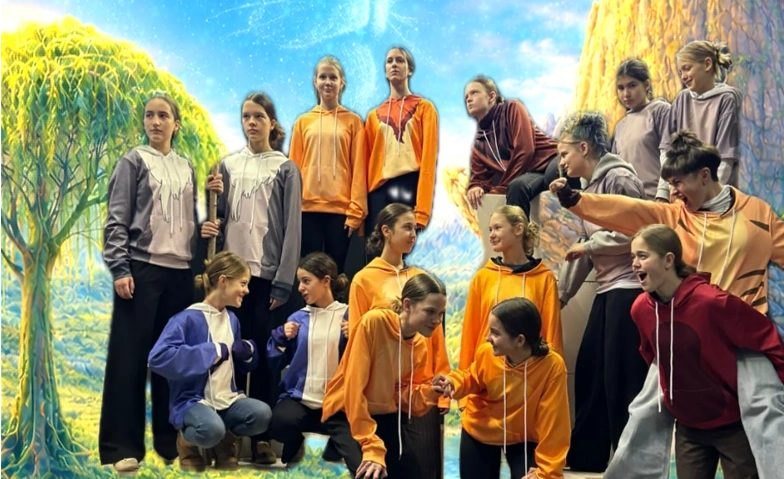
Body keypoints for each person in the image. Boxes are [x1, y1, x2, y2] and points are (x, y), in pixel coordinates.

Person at [549, 131, 784, 478]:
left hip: (741, 339)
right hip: (685, 336)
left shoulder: (758, 214)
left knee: (768, 416)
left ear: (705, 176)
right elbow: (631, 210)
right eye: (669, 184)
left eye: (678, 183)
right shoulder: (676, 217)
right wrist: (577, 201)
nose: (673, 191)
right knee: (643, 414)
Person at [99, 93, 223, 473]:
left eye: (163, 115)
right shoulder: (133, 161)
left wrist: (203, 229)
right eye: (149, 115)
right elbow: (117, 219)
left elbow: (183, 223)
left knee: (174, 359)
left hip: (180, 274)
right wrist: (120, 268)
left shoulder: (186, 167)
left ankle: (171, 442)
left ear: (175, 124)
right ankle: (122, 446)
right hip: (142, 270)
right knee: (130, 359)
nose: (155, 121)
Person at [628, 224, 784, 479]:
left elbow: (766, 337)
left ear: (668, 260)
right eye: (632, 256)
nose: (634, 264)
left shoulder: (713, 302)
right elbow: (652, 356)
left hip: (733, 426)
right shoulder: (640, 310)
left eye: (642, 256)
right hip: (688, 427)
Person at [200, 92, 302, 464]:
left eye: (259, 116)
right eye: (246, 116)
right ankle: (225, 438)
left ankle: (261, 441)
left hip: (265, 277)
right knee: (225, 355)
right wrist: (211, 208)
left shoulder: (285, 167)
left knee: (263, 357)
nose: (252, 122)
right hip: (230, 277)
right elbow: (220, 217)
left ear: (272, 123)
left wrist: (283, 281)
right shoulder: (227, 166)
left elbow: (293, 228)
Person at [555, 111, 648, 472]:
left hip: (629, 288)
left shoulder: (620, 178)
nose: (562, 162)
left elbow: (636, 232)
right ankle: (586, 460)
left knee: (621, 379)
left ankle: (630, 465)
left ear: (584, 147)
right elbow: (584, 248)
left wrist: (591, 246)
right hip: (607, 289)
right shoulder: (587, 188)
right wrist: (561, 295)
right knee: (591, 371)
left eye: (565, 154)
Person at [346, 202, 450, 478]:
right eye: (407, 227)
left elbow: (436, 338)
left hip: (419, 389)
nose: (413, 234)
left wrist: (440, 386)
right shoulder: (364, 279)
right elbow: (357, 340)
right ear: (386, 231)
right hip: (380, 395)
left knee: (424, 469)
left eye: (416, 229)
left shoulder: (421, 278)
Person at [148, 251, 273, 471]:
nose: (247, 290)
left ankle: (225, 442)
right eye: (243, 283)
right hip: (193, 401)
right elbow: (157, 358)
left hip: (228, 399)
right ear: (223, 281)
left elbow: (238, 365)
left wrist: (248, 354)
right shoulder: (185, 319)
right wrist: (211, 351)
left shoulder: (232, 320)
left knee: (262, 415)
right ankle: (187, 444)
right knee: (210, 430)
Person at [321, 273, 447, 479]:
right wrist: (371, 445)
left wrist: (432, 392)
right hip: (346, 410)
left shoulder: (420, 345)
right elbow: (354, 389)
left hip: (383, 414)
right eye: (430, 311)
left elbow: (402, 397)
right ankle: (342, 442)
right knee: (372, 473)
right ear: (407, 305)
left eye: (441, 313)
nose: (437, 320)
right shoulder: (374, 322)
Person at [434, 297, 570, 479]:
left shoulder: (551, 366)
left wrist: (546, 472)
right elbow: (472, 377)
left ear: (519, 340)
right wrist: (453, 383)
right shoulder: (487, 353)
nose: (487, 338)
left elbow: (555, 423)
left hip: (524, 437)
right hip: (480, 429)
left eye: (495, 333)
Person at [267, 252, 354, 465]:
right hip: (301, 402)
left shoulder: (350, 316)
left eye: (306, 281)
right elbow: (274, 362)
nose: (300, 288)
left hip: (338, 405)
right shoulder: (297, 318)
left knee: (356, 457)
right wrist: (280, 337)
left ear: (326, 281)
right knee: (280, 423)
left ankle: (332, 449)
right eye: (299, 282)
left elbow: (367, 360)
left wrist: (357, 335)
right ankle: (296, 442)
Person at [459, 204, 563, 376]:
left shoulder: (544, 279)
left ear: (518, 229)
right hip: (486, 376)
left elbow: (552, 334)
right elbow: (470, 333)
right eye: (490, 229)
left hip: (528, 376)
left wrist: (552, 377)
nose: (491, 235)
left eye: (497, 228)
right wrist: (464, 382)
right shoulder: (483, 277)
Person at [289, 56, 367, 272]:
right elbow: (293, 169)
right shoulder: (303, 122)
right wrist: (291, 211)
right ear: (315, 82)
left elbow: (359, 170)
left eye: (333, 77)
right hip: (306, 211)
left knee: (333, 275)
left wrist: (356, 212)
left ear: (342, 83)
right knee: (310, 275)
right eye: (323, 77)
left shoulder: (353, 122)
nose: (328, 82)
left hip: (341, 213)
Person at [464, 76, 580, 219]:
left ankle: (584, 219)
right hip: (530, 175)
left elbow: (525, 150)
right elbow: (479, 177)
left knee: (553, 175)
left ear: (491, 96)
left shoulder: (512, 108)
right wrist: (475, 186)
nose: (469, 99)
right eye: (466, 96)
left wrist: (502, 187)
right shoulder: (478, 145)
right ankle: (520, 233)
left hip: (551, 160)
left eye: (474, 93)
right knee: (516, 188)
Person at [365, 46, 438, 233]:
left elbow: (428, 161)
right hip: (379, 191)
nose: (394, 64)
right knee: (376, 246)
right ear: (385, 71)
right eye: (389, 61)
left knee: (402, 246)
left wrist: (422, 210)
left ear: (409, 69)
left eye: (400, 60)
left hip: (409, 186)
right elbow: (366, 163)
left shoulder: (424, 108)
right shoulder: (373, 116)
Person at [659, 40, 741, 194]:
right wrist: (666, 191)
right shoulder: (682, 99)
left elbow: (726, 158)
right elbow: (666, 151)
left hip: (715, 196)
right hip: (682, 194)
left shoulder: (727, 99)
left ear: (707, 64)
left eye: (687, 68)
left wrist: (709, 195)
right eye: (680, 72)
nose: (683, 77)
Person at [611, 59, 671, 200]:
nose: (626, 94)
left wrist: (663, 195)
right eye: (621, 88)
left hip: (656, 200)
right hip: (627, 203)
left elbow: (670, 155)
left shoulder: (661, 111)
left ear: (646, 85)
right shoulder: (620, 127)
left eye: (632, 85)